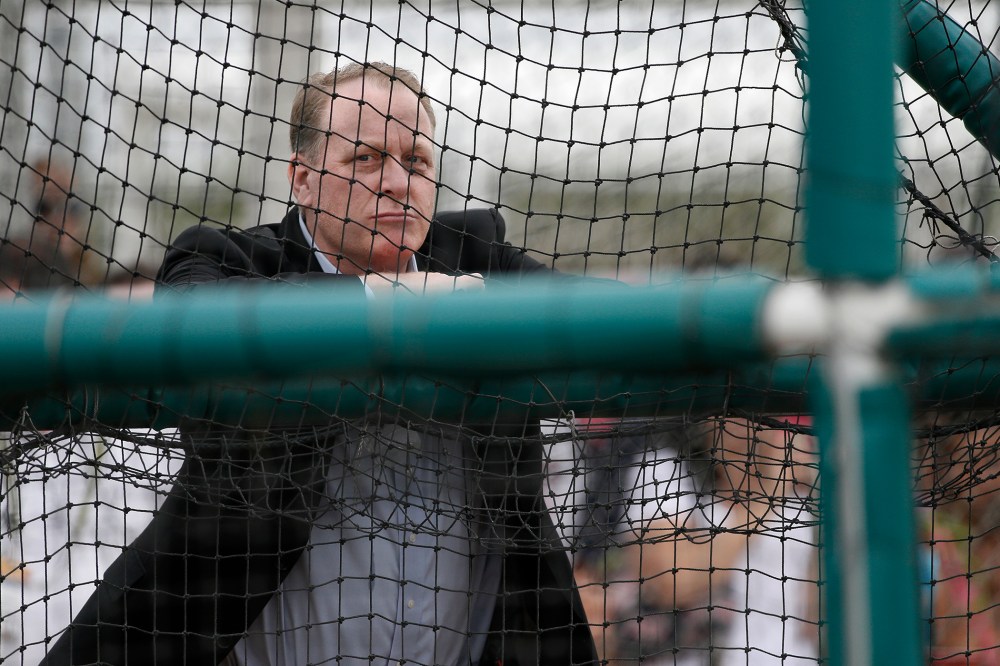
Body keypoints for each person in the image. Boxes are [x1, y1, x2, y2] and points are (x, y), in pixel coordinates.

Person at [42, 62, 598, 666]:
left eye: (416, 162)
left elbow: (601, 324)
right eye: (365, 160)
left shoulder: (479, 258)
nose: (397, 183)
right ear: (301, 180)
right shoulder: (231, 258)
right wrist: (390, 303)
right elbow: (192, 316)